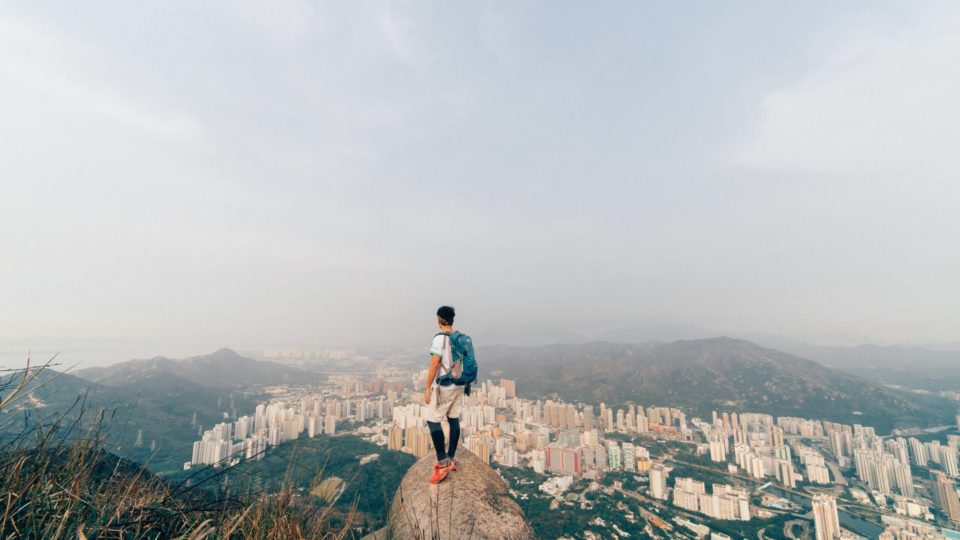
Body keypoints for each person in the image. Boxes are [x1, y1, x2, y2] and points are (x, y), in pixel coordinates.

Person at [424, 305, 464, 484]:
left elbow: (434, 364)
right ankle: (451, 457)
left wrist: (427, 387)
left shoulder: (440, 339)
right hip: (459, 385)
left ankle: (442, 462)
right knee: (453, 419)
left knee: (433, 420)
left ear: (440, 319)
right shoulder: (460, 338)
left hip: (445, 386)